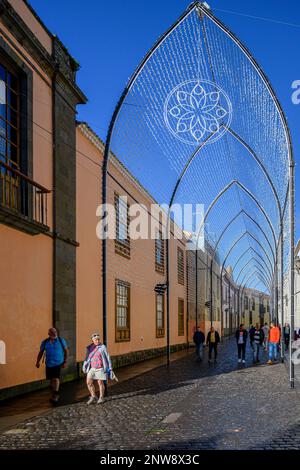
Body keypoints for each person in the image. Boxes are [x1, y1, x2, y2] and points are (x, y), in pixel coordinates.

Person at [36, 327, 68, 405]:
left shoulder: (61, 340)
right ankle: (54, 394)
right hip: (49, 363)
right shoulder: (45, 342)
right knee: (51, 380)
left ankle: (55, 395)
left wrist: (65, 361)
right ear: (49, 334)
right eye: (52, 332)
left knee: (55, 378)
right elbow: (41, 352)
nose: (54, 333)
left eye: (55, 332)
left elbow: (66, 351)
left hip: (58, 363)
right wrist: (38, 361)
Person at [85, 333, 113, 405]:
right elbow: (87, 357)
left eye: (98, 339)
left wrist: (110, 367)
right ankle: (93, 396)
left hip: (100, 368)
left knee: (100, 383)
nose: (97, 341)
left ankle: (101, 397)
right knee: (88, 382)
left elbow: (107, 357)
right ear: (92, 340)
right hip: (92, 367)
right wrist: (85, 365)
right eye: (95, 340)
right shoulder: (90, 347)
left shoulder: (102, 347)